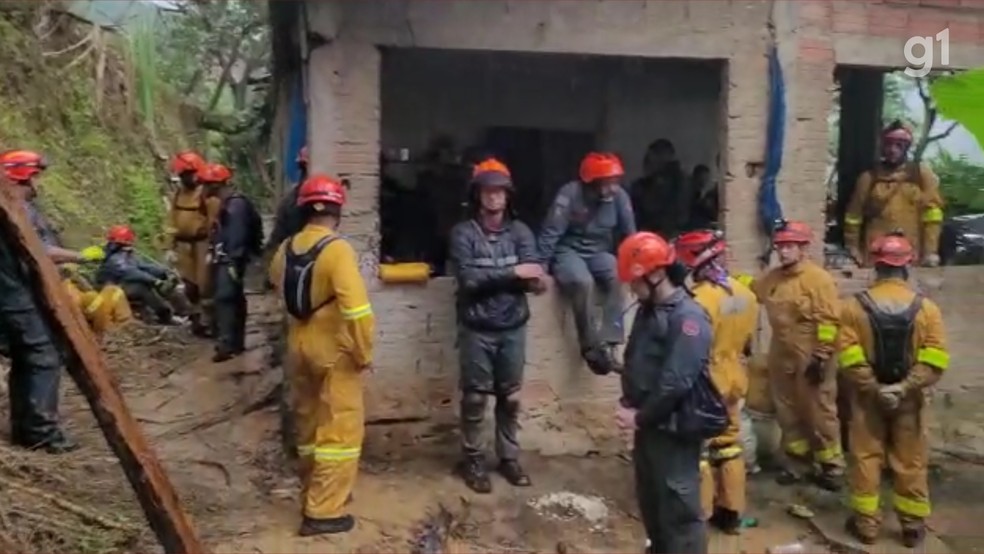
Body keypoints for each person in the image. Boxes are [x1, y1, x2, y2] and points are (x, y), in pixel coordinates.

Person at [268, 173, 375, 537]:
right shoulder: (338, 249)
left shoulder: (287, 247)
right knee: (340, 431)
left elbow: (275, 284)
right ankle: (323, 510)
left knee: (309, 423)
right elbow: (357, 310)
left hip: (298, 344)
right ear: (337, 210)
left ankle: (310, 489)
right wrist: (363, 352)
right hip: (333, 350)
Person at [837, 231, 947, 547]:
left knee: (865, 457)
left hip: (866, 399)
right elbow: (935, 358)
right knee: (910, 459)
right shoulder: (927, 309)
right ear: (907, 265)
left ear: (876, 265)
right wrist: (903, 388)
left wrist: (874, 388)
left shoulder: (853, 308)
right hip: (909, 400)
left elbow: (849, 357)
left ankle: (867, 526)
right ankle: (911, 527)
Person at [615, 231, 722, 554]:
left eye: (635, 281)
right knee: (653, 503)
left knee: (678, 510)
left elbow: (676, 382)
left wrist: (638, 416)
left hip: (673, 430)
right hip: (650, 428)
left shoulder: (688, 318)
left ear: (657, 274)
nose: (632, 289)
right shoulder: (650, 311)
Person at [449, 158, 547, 494]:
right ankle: (473, 458)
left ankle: (508, 457)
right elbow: (469, 282)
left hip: (512, 325)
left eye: (499, 191)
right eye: (487, 191)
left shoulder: (520, 233)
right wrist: (512, 276)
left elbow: (532, 273)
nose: (494, 198)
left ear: (508, 196)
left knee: (511, 397)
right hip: (477, 327)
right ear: (477, 195)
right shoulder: (463, 234)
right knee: (475, 397)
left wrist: (535, 283)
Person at [0, 149, 86, 454]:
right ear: (22, 175)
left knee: (27, 358)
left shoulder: (14, 207)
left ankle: (25, 427)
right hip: (15, 297)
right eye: (36, 175)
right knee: (43, 356)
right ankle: (41, 431)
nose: (39, 183)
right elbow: (39, 249)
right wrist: (80, 256)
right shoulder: (14, 209)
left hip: (12, 294)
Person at [749, 220, 844, 490]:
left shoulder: (818, 280)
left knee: (819, 410)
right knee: (786, 409)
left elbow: (828, 320)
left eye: (790, 246)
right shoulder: (774, 278)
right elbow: (754, 289)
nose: (784, 252)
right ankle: (797, 463)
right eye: (780, 246)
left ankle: (831, 466)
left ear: (803, 248)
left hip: (811, 353)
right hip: (782, 353)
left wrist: (822, 355)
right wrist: (727, 279)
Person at [675, 229, 758, 534]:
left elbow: (690, 347)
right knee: (729, 444)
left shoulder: (697, 300)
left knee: (698, 448)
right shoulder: (745, 293)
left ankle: (701, 513)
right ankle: (732, 513)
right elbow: (747, 340)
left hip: (707, 380)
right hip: (735, 376)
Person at [538, 152, 636, 375]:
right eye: (607, 183)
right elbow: (551, 232)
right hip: (568, 251)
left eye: (615, 182)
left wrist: (637, 263)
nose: (613, 188)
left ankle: (611, 343)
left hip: (598, 251)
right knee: (582, 281)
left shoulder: (620, 197)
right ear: (592, 182)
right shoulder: (569, 194)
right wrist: (540, 266)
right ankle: (590, 346)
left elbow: (630, 234)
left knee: (616, 273)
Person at [844, 121, 945, 267]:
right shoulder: (869, 178)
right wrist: (852, 248)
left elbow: (932, 216)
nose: (892, 150)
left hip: (910, 249)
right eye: (888, 144)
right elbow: (853, 216)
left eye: (899, 145)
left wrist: (930, 251)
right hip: (876, 250)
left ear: (907, 148)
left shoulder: (921, 175)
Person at [201, 162, 263, 362]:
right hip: (229, 257)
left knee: (225, 298)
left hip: (231, 260)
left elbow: (236, 237)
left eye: (206, 184)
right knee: (234, 299)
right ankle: (236, 343)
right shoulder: (229, 204)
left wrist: (230, 261)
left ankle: (226, 345)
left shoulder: (235, 207)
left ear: (215, 185)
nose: (203, 188)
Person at [164, 150, 218, 337]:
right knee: (190, 286)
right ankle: (197, 320)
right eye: (184, 175)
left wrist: (213, 245)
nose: (188, 178)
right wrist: (170, 246)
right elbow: (172, 221)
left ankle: (211, 321)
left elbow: (213, 221)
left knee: (206, 286)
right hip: (183, 245)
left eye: (190, 174)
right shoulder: (178, 194)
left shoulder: (206, 195)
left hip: (202, 244)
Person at [95, 225, 182, 325]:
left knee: (151, 283)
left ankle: (181, 310)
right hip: (111, 289)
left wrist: (163, 272)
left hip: (121, 284)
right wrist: (154, 281)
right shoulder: (115, 258)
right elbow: (131, 272)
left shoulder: (126, 254)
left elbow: (143, 266)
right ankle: (165, 315)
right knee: (141, 287)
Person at [629, 139, 689, 238]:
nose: (648, 160)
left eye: (652, 156)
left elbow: (652, 206)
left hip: (663, 230)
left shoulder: (670, 179)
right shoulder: (673, 177)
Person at [686, 165, 719, 231]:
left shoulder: (706, 193)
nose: (703, 182)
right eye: (701, 178)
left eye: (706, 179)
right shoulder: (689, 191)